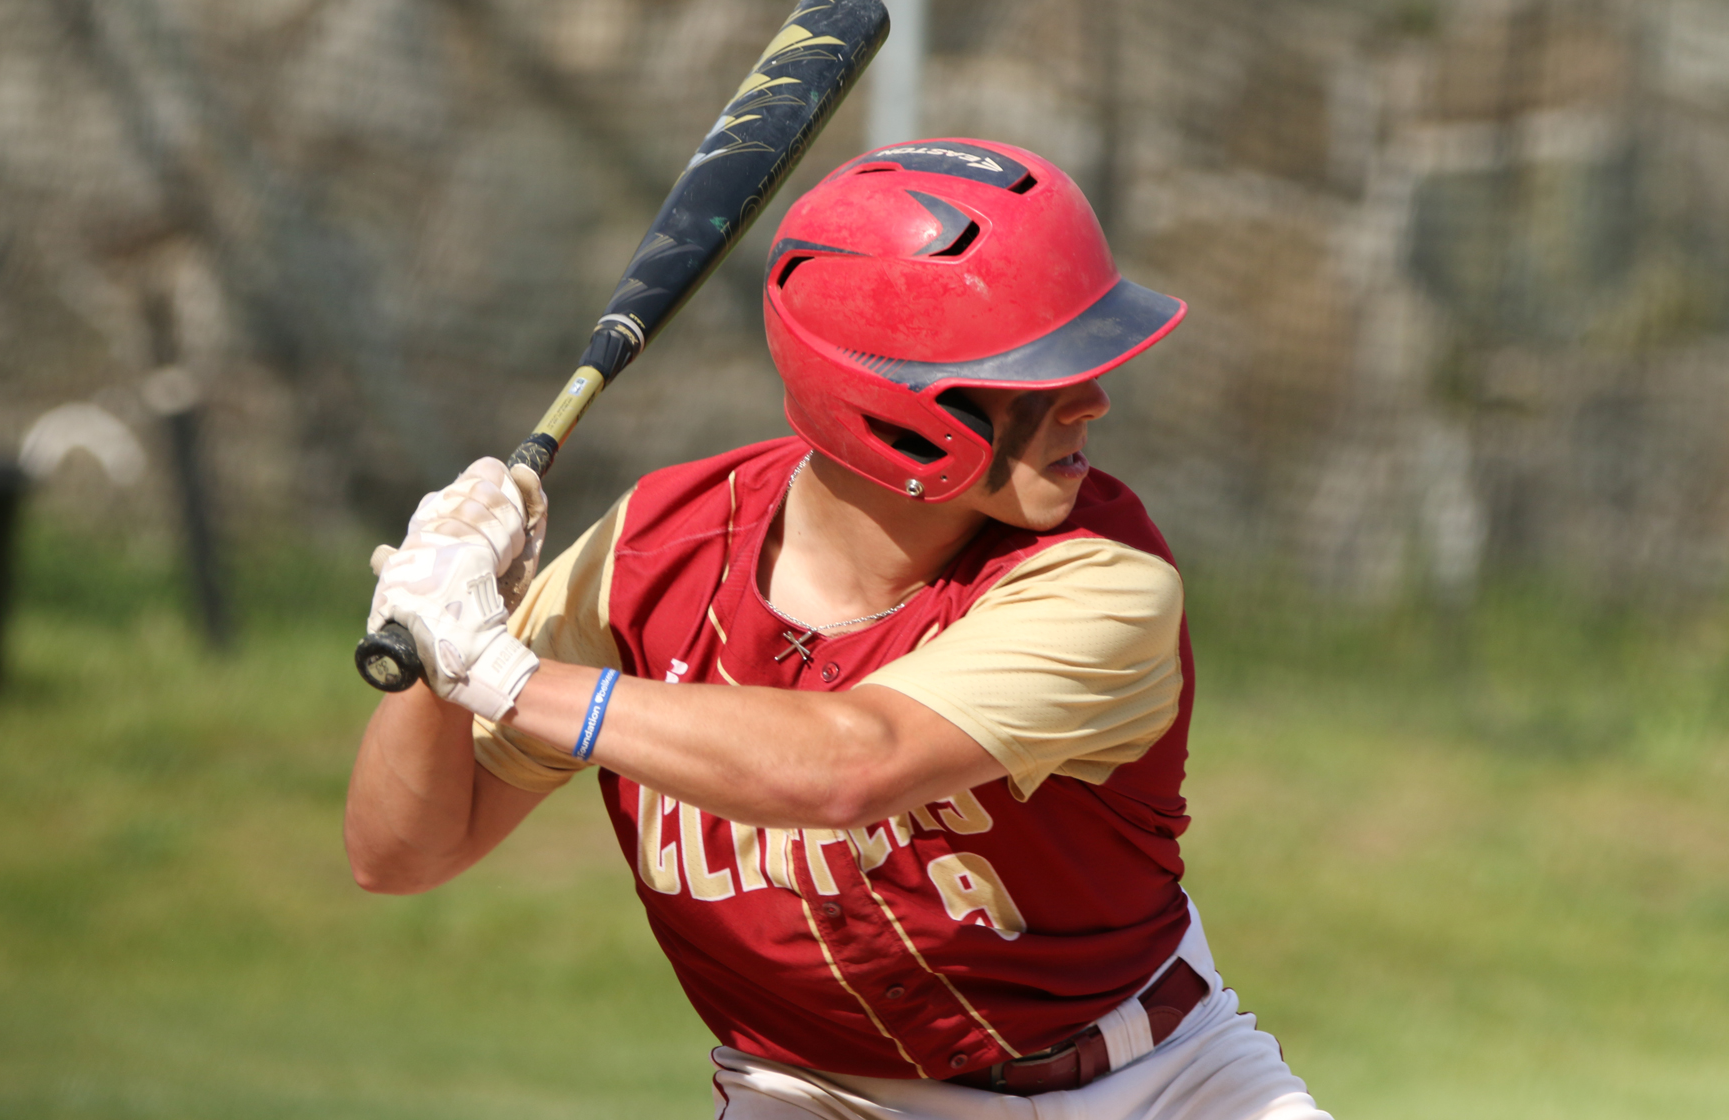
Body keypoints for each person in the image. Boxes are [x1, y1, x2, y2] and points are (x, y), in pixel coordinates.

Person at [345, 139, 1332, 1119]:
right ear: (897, 404)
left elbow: (853, 764)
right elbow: (399, 854)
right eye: (1041, 371)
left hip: (1158, 1085)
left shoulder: (1103, 576)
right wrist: (433, 647)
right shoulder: (653, 558)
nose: (1094, 399)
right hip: (818, 1099)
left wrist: (502, 670)